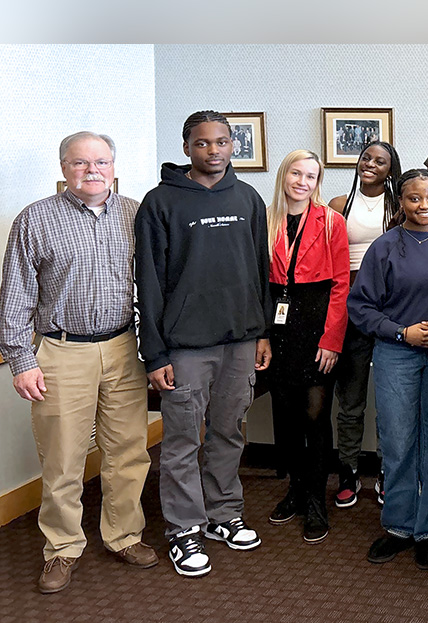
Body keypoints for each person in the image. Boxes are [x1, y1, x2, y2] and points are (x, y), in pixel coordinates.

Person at [1, 132, 157, 593]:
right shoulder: (36, 219)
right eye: (80, 162)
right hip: (61, 351)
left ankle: (124, 535)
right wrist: (21, 361)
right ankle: (63, 547)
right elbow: (14, 299)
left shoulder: (135, 213)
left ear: (113, 165)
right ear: (65, 167)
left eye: (101, 161)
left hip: (123, 347)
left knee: (128, 450)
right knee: (64, 456)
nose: (92, 170)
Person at [136, 110, 272, 577]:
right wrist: (154, 353)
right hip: (184, 346)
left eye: (221, 142)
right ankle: (184, 529)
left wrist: (261, 332)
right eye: (202, 143)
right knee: (179, 441)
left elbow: (260, 273)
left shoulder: (249, 198)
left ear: (233, 145)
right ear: (186, 148)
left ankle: (222, 514)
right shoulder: (160, 203)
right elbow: (148, 283)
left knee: (229, 431)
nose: (212, 150)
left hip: (239, 341)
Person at [348, 169, 428, 570]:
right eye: (415, 199)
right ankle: (399, 526)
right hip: (396, 354)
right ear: (400, 202)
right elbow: (360, 307)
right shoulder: (384, 248)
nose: (424, 206)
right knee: (398, 440)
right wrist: (404, 332)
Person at [263, 150, 349, 543]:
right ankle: (295, 489)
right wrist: (261, 335)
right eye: (296, 173)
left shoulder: (332, 222)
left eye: (310, 176)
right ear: (284, 175)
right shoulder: (266, 219)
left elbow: (341, 287)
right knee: (286, 416)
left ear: (318, 182)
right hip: (278, 329)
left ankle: (316, 500)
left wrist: (331, 340)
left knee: (315, 417)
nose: (302, 181)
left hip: (317, 328)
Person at [328, 140, 402, 509]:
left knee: (390, 402)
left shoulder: (399, 208)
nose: (371, 164)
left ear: (392, 169)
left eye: (380, 161)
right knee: (351, 400)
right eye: (366, 157)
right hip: (351, 310)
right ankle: (348, 470)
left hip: (389, 311)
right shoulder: (339, 206)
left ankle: (389, 472)